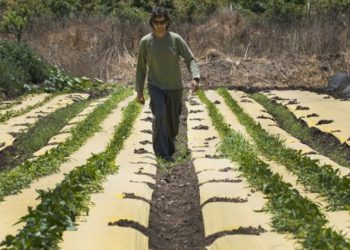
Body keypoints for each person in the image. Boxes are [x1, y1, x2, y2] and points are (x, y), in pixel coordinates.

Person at [135, 7, 200, 161]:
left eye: (163, 22)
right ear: (152, 23)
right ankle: (162, 154)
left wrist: (195, 77)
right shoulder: (146, 42)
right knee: (160, 115)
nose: (160, 25)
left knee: (173, 122)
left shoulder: (175, 39)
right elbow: (141, 67)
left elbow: (190, 59)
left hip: (175, 87)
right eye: (156, 22)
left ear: (167, 22)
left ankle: (169, 149)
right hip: (155, 86)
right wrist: (139, 90)